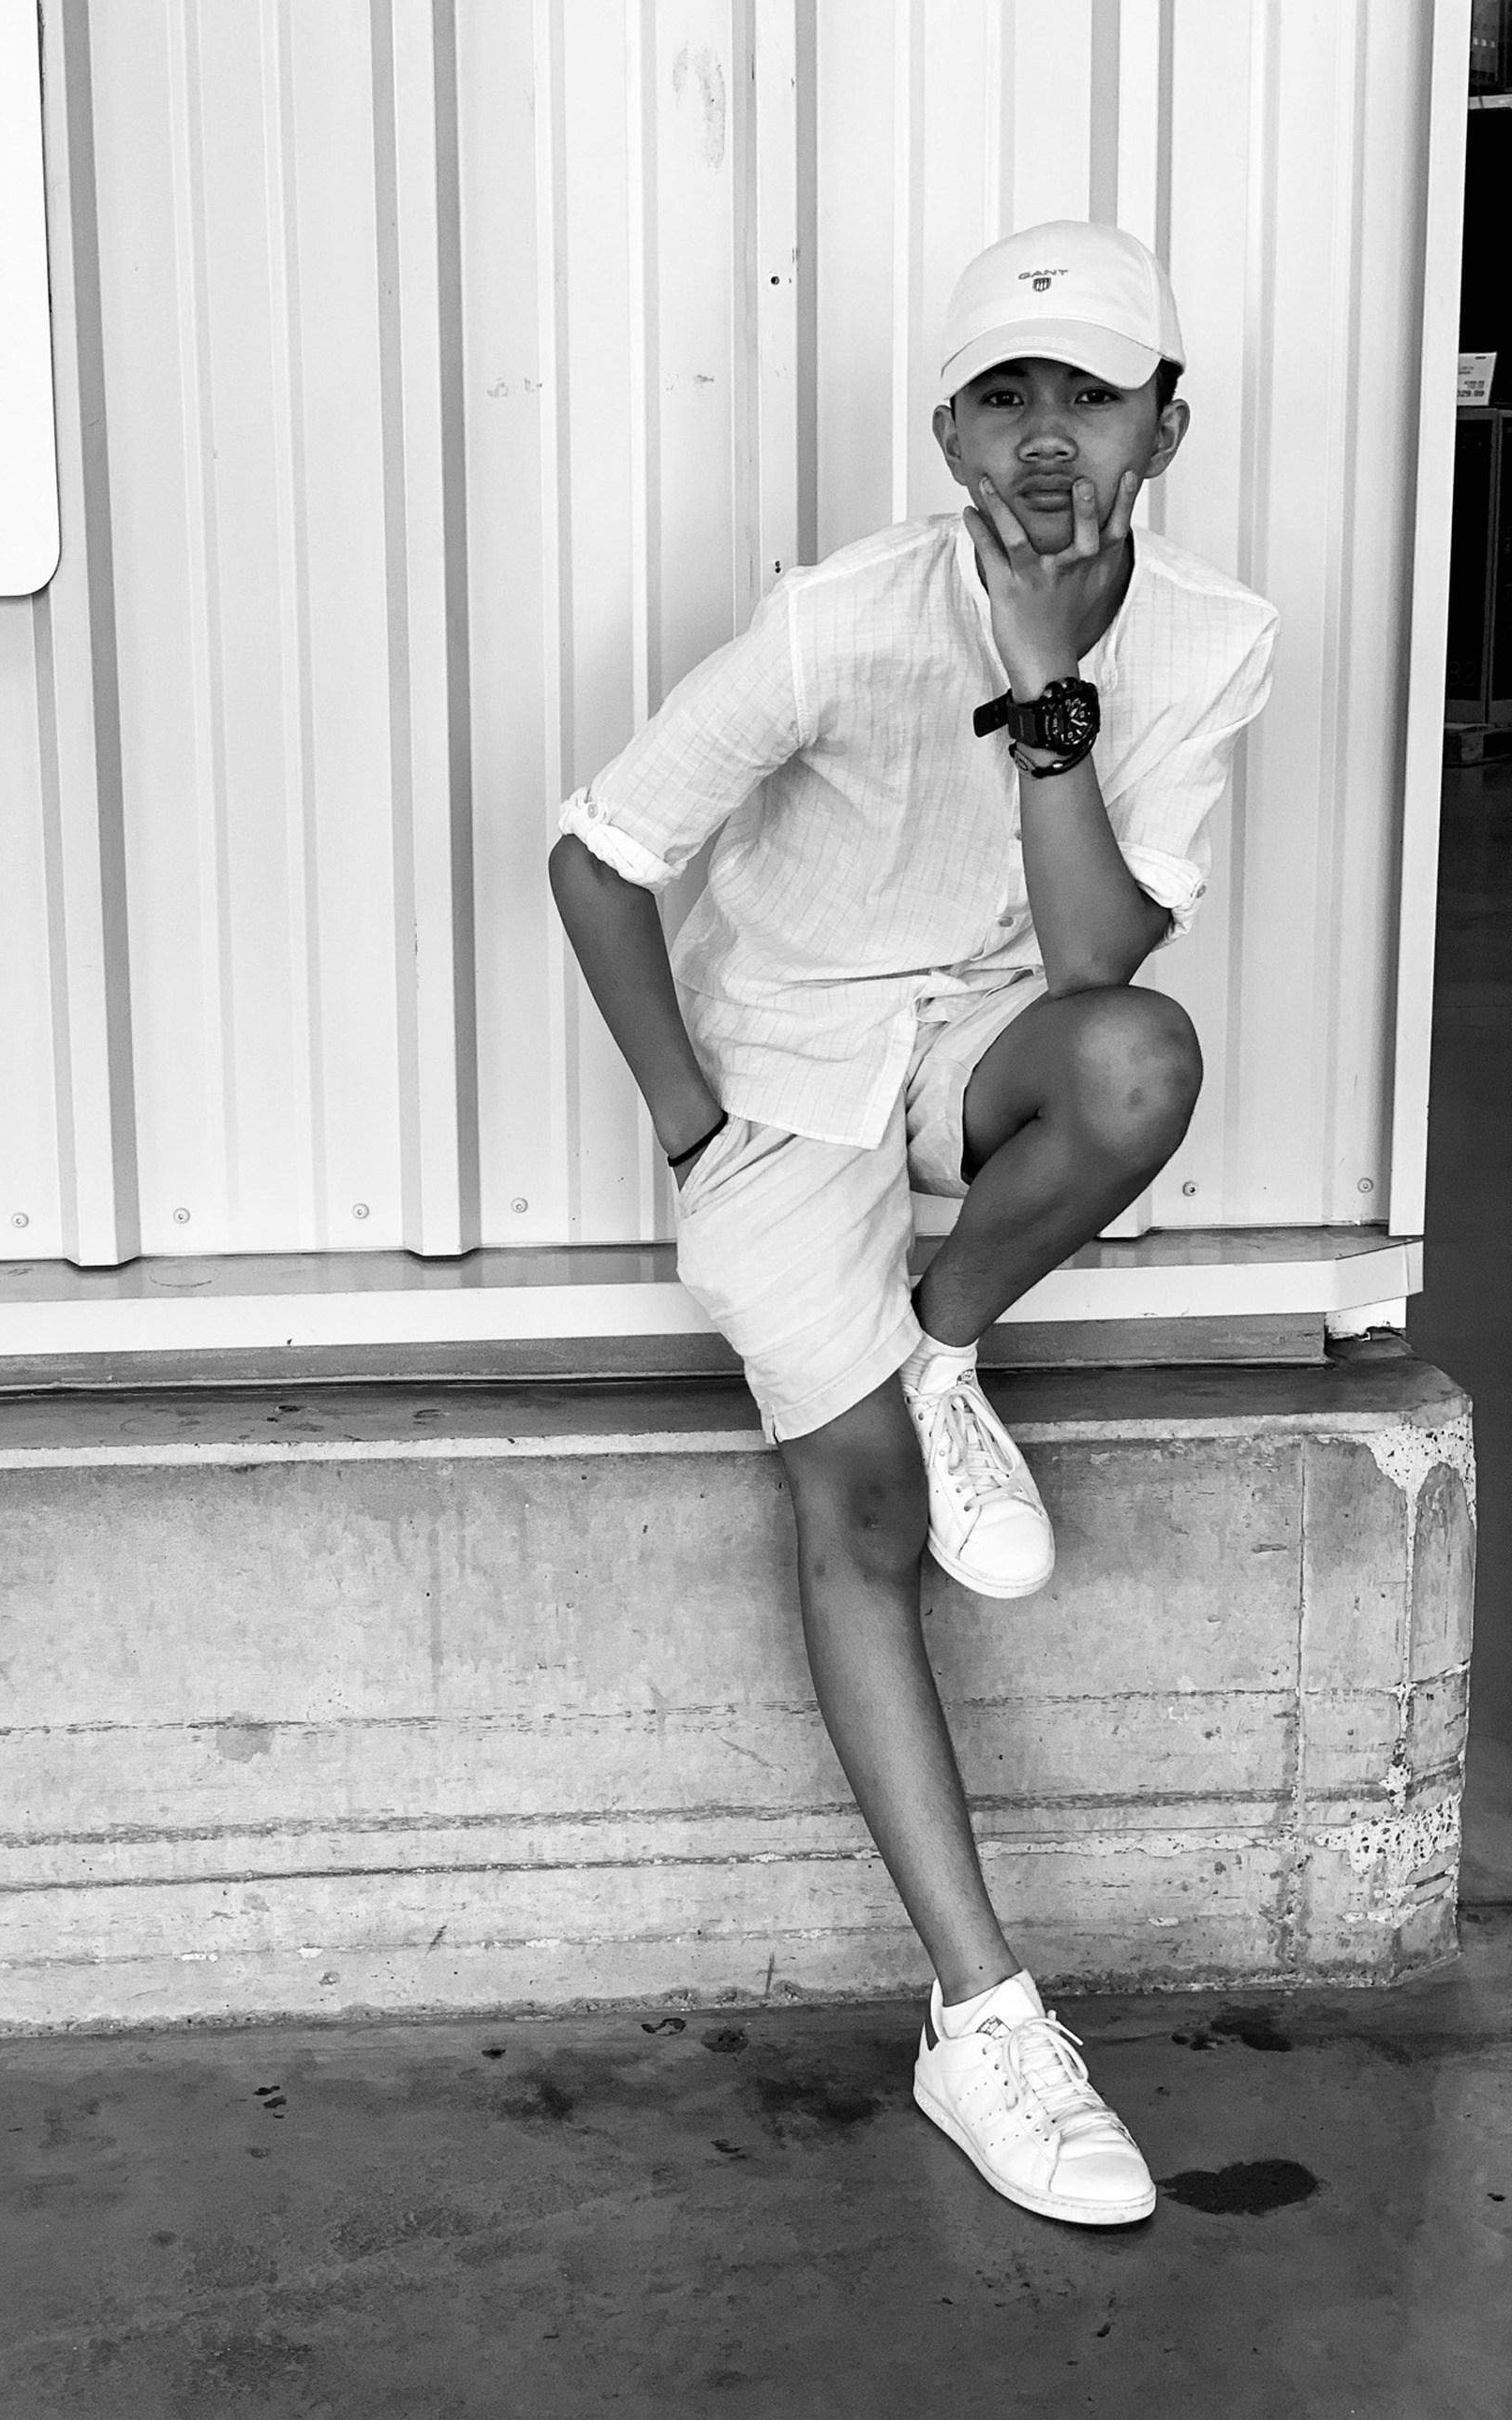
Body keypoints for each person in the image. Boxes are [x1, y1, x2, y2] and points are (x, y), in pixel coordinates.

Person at [547, 220, 1277, 2227]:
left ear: (1167, 420)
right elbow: (600, 855)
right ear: (948, 429)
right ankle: (984, 2021)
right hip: (783, 1080)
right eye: (1004, 394)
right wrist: (694, 1131)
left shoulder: (1215, 636)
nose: (1050, 437)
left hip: (979, 1045)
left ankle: (946, 1337)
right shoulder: (840, 622)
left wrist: (1050, 688)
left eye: (1092, 389)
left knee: (1138, 1062)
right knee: (861, 1512)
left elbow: (1099, 949)